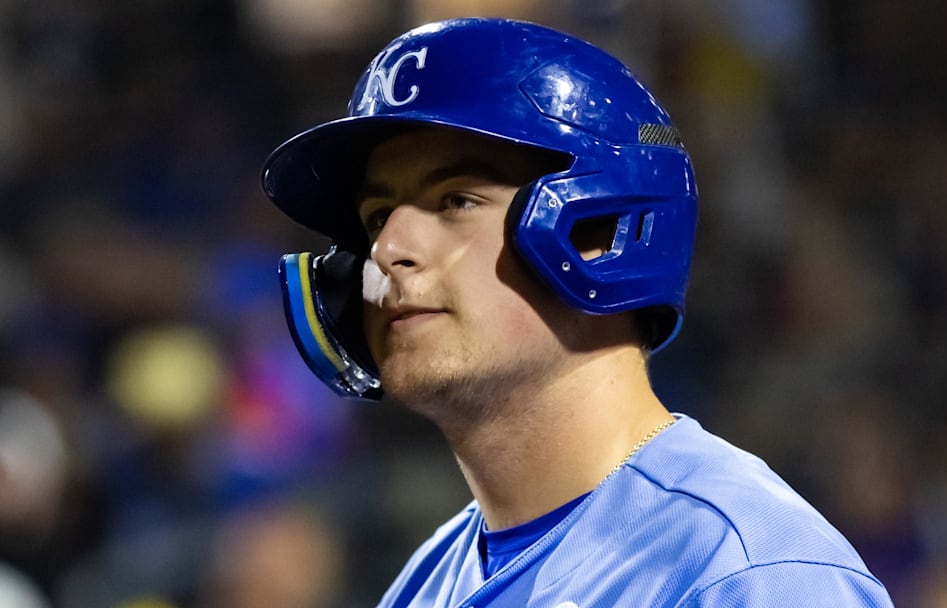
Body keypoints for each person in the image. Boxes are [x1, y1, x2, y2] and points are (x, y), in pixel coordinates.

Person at [261, 17, 895, 607]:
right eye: (377, 218)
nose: (388, 250)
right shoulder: (427, 582)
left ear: (601, 228)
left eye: (455, 200)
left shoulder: (749, 575)